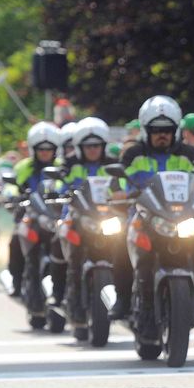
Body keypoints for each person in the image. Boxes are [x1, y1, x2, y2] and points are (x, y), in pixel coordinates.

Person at [108, 96, 194, 337]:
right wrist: (118, 192)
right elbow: (116, 182)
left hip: (182, 217)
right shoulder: (133, 154)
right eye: (156, 130)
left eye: (167, 130)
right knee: (119, 242)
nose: (162, 135)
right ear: (145, 131)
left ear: (176, 131)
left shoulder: (189, 154)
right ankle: (122, 299)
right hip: (143, 216)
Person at [61, 117, 119, 335]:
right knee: (69, 257)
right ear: (80, 147)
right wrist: (57, 191)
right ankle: (70, 302)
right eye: (88, 146)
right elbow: (58, 184)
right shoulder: (70, 164)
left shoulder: (113, 164)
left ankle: (127, 302)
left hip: (108, 218)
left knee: (125, 254)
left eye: (97, 145)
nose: (93, 150)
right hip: (77, 218)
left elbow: (123, 184)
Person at [7, 122, 62, 297]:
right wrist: (13, 195)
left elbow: (66, 184)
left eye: (49, 148)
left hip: (55, 216)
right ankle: (16, 281)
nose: (45, 152)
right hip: (30, 213)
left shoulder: (62, 166)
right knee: (16, 240)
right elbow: (12, 186)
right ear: (34, 149)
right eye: (41, 149)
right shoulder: (24, 166)